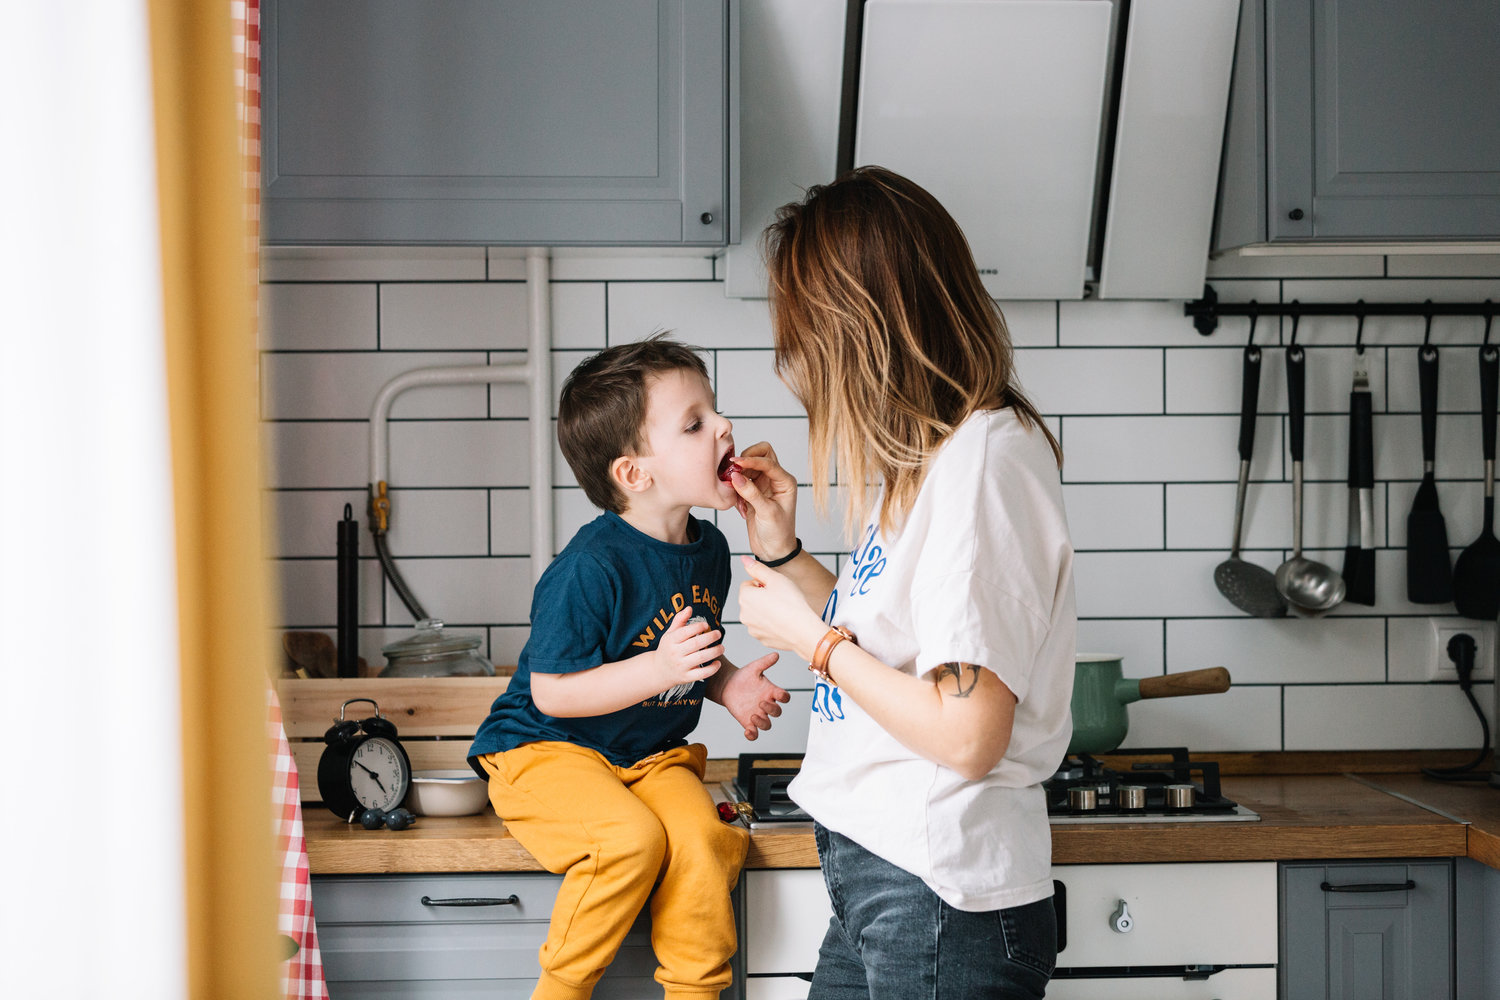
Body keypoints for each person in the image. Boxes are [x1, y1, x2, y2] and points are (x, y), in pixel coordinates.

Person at [728, 166, 1077, 999]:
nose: (794, 368)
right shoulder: (933, 461)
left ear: (862, 330)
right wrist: (784, 553)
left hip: (937, 892)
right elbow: (894, 644)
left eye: (806, 340)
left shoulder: (982, 465)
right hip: (888, 882)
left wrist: (812, 643)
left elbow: (967, 734)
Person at [468, 335, 791, 1000]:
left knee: (703, 840)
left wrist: (727, 684)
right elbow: (553, 693)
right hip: (545, 749)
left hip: (647, 756)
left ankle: (695, 992)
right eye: (694, 424)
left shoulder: (707, 548)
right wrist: (660, 669)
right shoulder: (591, 566)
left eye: (713, 410)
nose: (723, 424)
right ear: (635, 474)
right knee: (629, 841)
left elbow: (685, 653)